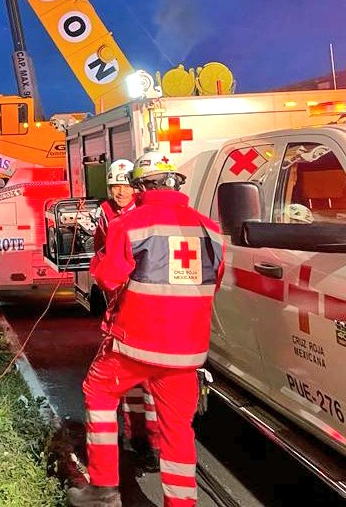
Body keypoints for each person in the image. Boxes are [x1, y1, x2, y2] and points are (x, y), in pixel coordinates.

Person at [69, 152, 225, 507]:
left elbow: (108, 277)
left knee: (99, 393)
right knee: (178, 430)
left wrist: (98, 261)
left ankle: (104, 489)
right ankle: (181, 502)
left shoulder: (130, 224)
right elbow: (212, 282)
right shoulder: (210, 230)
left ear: (140, 186)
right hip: (186, 351)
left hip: (133, 345)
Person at [90, 160, 160, 474]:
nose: (121, 192)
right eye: (115, 186)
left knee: (149, 384)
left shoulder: (147, 214)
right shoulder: (105, 214)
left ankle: (151, 445)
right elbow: (102, 255)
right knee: (126, 380)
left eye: (126, 185)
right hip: (120, 308)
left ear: (137, 187)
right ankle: (134, 439)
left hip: (147, 309)